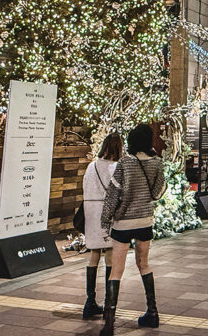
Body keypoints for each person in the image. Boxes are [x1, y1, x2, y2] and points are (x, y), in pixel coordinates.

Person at [99, 124, 167, 336]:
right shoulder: (157, 163)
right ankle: (152, 312)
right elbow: (158, 193)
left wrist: (105, 219)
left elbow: (113, 194)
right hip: (145, 221)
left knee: (117, 270)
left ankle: (109, 323)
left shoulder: (125, 163)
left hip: (123, 223)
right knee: (144, 264)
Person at [82, 132, 122, 319]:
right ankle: (108, 304)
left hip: (89, 211)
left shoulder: (91, 166)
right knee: (109, 257)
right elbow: (117, 191)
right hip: (106, 212)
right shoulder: (115, 167)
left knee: (94, 255)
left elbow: (85, 187)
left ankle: (89, 302)